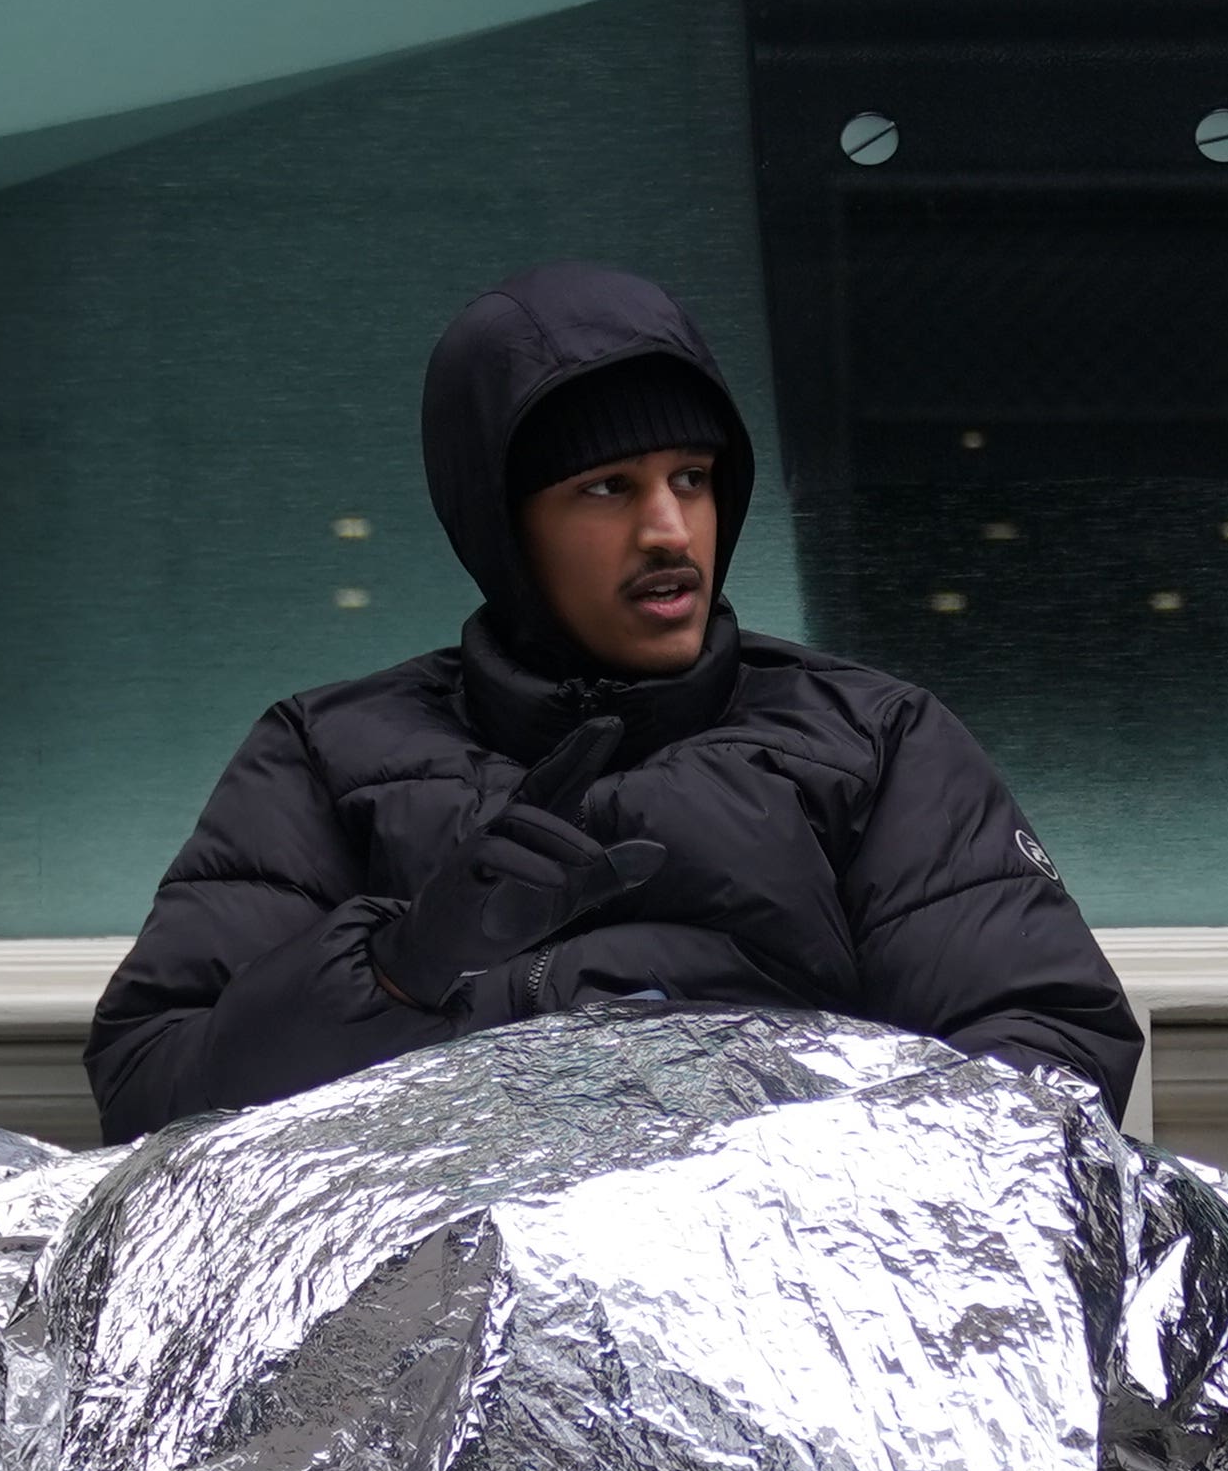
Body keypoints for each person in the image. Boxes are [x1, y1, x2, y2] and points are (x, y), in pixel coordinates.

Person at [86, 262, 1141, 1137]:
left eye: (692, 477)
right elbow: (149, 1091)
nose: (670, 532)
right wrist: (395, 973)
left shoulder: (871, 740)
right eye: (607, 488)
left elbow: (1048, 1058)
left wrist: (768, 1161)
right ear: (501, 523)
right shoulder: (327, 755)